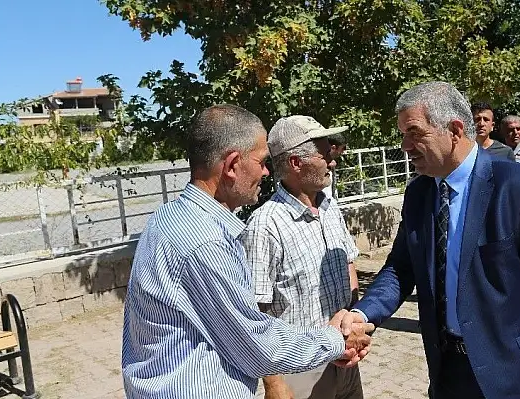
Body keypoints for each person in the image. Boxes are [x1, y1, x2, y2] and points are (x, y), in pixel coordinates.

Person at [338, 82, 520, 399]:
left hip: (512, 376)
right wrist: (362, 314)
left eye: (413, 132)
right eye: (402, 134)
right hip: (447, 372)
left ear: (455, 130)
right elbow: (400, 269)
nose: (405, 145)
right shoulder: (419, 193)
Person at [121, 105, 372, 399]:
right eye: (262, 162)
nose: (266, 171)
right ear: (232, 165)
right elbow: (257, 344)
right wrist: (334, 339)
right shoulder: (207, 242)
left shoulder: (172, 218)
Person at [240, 116, 363, 399]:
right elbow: (253, 313)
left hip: (345, 361)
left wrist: (354, 327)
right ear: (296, 163)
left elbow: (349, 264)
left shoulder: (331, 208)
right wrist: (273, 382)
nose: (332, 160)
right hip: (300, 372)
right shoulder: (266, 225)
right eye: (324, 153)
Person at [323, 132, 348, 198]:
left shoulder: (331, 163)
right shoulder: (320, 164)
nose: (343, 152)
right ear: (333, 148)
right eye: (342, 148)